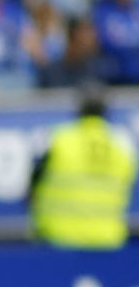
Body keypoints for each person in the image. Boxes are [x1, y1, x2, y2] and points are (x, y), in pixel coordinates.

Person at [29, 81, 136, 249]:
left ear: (77, 108)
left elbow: (32, 187)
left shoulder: (57, 138)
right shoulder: (122, 145)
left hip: (58, 237)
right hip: (108, 239)